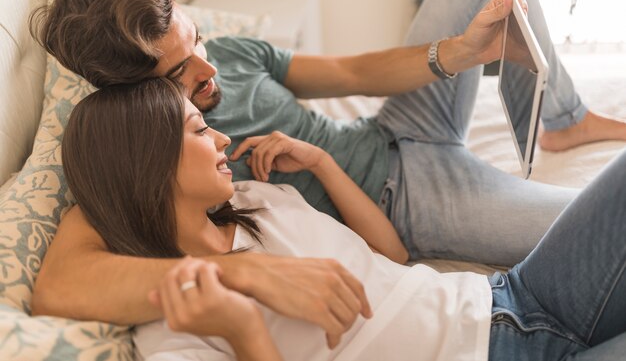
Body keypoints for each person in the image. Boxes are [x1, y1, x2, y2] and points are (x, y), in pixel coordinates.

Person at [29, 0, 626, 342]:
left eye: (198, 41)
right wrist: (238, 277)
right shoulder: (142, 148)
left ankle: (563, 118)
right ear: (134, 97)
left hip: (389, 132)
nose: (209, 72)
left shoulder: (228, 56)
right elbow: (60, 285)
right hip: (405, 203)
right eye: (178, 74)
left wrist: (460, 55)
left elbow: (349, 75)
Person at [62, 79, 626, 360]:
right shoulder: (176, 319)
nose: (222, 137)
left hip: (508, 296)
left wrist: (323, 164)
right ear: (147, 162)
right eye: (197, 129)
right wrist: (242, 328)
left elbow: (395, 257)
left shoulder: (259, 200)